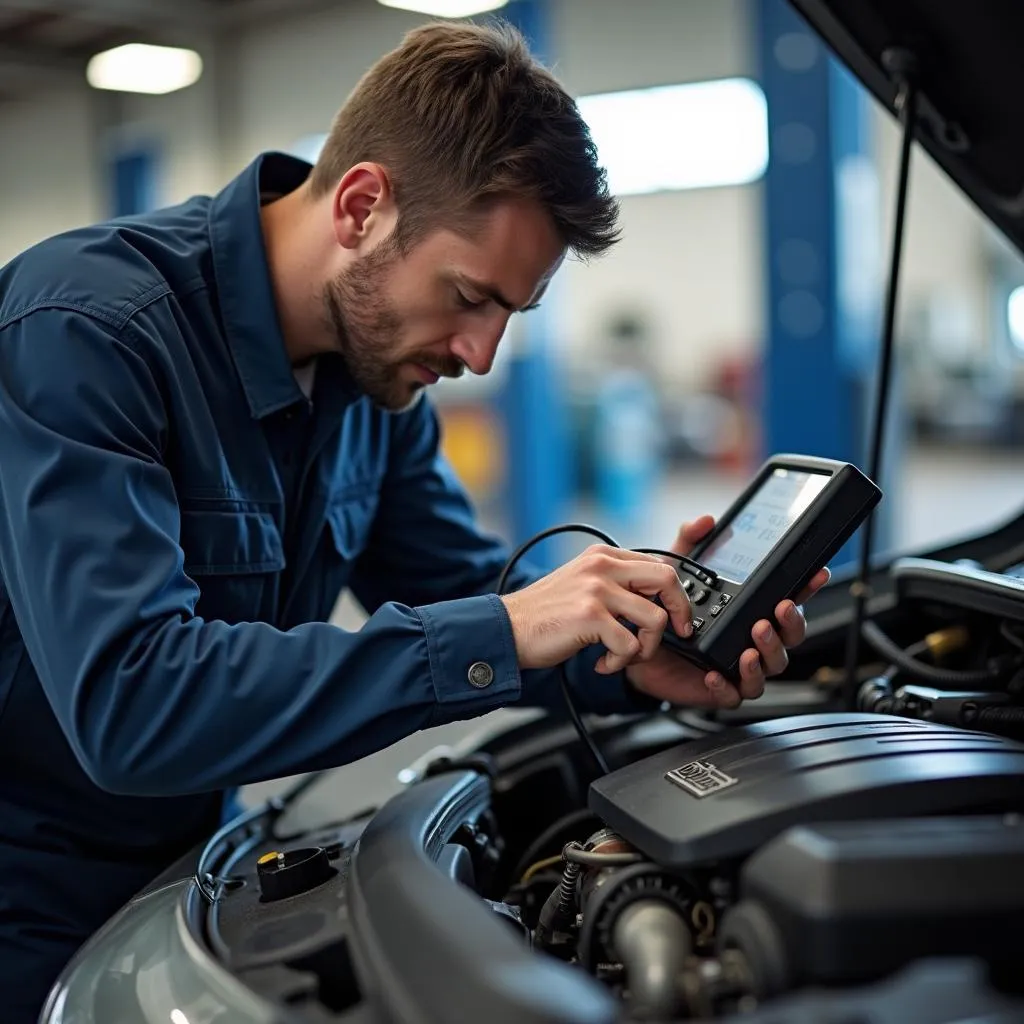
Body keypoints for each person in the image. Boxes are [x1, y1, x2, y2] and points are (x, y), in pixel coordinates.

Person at [0, 20, 828, 1021]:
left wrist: (625, 644)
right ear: (361, 205)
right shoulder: (87, 335)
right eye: (470, 297)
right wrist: (511, 626)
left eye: (509, 316)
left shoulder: (373, 381)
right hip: (24, 902)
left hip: (175, 873)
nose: (480, 354)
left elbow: (461, 593)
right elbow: (131, 705)